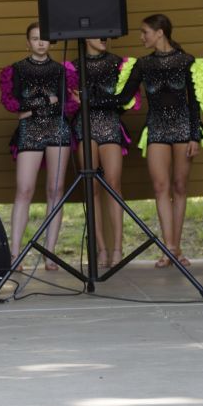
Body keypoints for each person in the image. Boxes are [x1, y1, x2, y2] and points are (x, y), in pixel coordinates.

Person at [115, 14, 203, 267]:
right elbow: (123, 98)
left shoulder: (187, 61)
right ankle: (168, 248)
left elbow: (195, 103)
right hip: (156, 129)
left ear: (160, 33)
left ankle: (176, 249)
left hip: (183, 129)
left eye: (144, 32)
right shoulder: (143, 64)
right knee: (160, 187)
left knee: (179, 187)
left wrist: (194, 136)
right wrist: (90, 100)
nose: (141, 37)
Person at [0, 22, 78, 270]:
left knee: (56, 190)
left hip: (58, 129)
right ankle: (15, 253)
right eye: (35, 38)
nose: (40, 43)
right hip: (30, 131)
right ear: (28, 43)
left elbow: (69, 104)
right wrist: (45, 101)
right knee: (24, 189)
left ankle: (50, 252)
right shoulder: (16, 69)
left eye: (44, 38)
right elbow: (11, 103)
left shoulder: (61, 70)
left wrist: (31, 107)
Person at [71, 38, 139, 268]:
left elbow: (124, 101)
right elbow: (71, 103)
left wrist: (91, 102)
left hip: (110, 125)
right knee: (91, 187)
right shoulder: (74, 66)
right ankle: (100, 248)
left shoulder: (119, 64)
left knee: (113, 184)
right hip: (85, 127)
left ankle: (118, 248)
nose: (103, 39)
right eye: (98, 35)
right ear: (86, 37)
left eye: (106, 35)